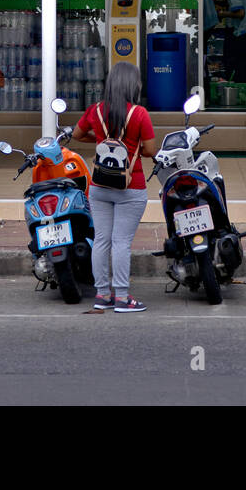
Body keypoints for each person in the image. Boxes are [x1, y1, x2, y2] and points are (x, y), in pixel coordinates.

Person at [71, 62, 157, 312]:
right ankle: (121, 297)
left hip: (99, 184)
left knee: (101, 240)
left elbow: (77, 134)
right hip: (131, 185)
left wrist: (100, 139)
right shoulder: (139, 113)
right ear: (134, 85)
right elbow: (151, 150)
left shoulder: (95, 110)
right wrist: (134, 146)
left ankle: (102, 295)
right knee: (121, 242)